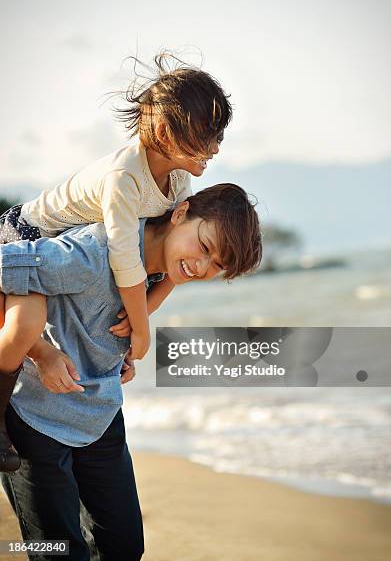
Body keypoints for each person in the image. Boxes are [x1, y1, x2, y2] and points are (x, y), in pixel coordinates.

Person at [0, 184, 262, 560]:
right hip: (34, 420)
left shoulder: (160, 269)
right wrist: (41, 352)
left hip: (100, 415)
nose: (201, 267)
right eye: (204, 247)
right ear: (179, 213)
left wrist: (115, 350)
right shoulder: (92, 253)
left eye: (217, 265)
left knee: (124, 547)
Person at [0, 52, 232, 467]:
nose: (216, 148)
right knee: (25, 325)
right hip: (27, 235)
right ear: (164, 131)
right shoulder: (123, 176)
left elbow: (156, 269)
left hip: (70, 247)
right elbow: (126, 261)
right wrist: (141, 332)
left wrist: (139, 322)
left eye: (219, 136)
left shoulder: (176, 178)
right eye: (207, 136)